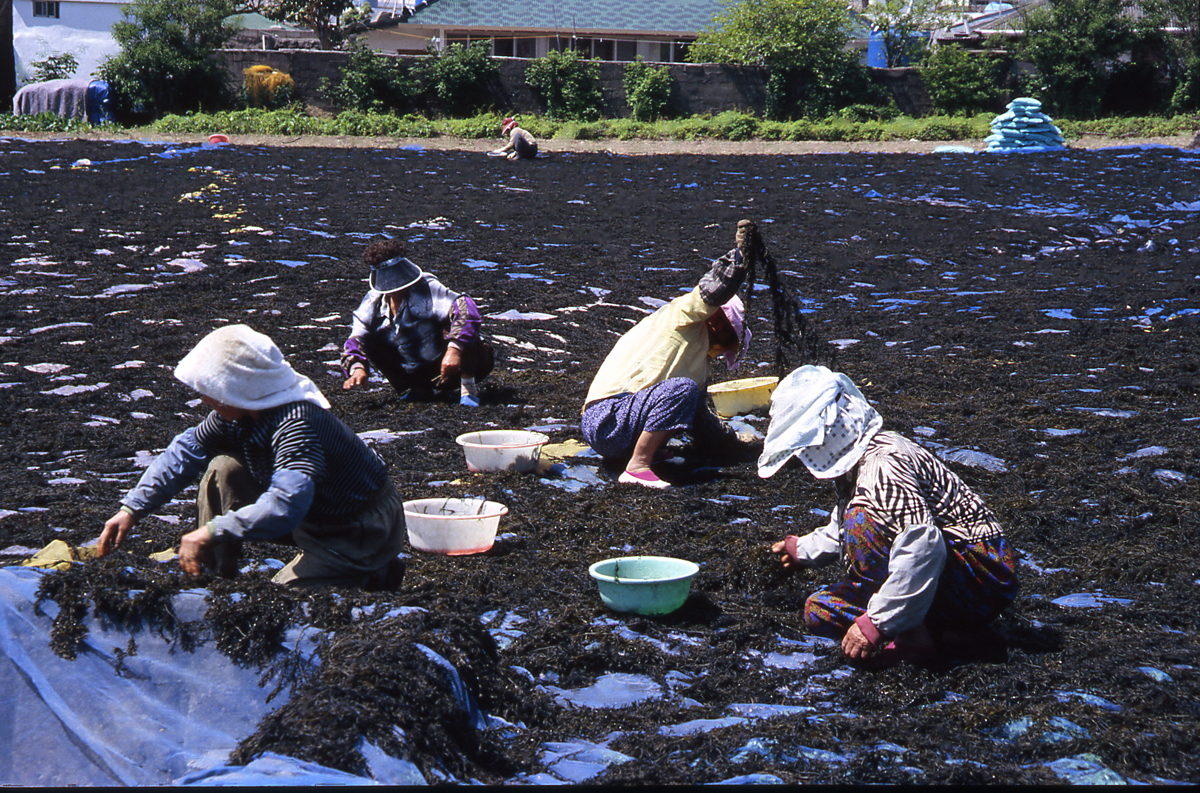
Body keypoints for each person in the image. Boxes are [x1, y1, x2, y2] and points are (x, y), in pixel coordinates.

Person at [95, 324, 407, 591]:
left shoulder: (298, 425)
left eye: (209, 391)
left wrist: (211, 531)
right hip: (312, 513)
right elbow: (186, 450)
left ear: (236, 389)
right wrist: (132, 509)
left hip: (355, 529)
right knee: (224, 469)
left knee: (285, 604)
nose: (203, 398)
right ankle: (214, 580)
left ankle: (372, 569)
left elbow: (285, 505)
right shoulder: (241, 413)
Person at [760, 365, 1018, 668]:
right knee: (819, 609)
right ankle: (951, 635)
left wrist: (875, 625)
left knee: (860, 518)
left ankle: (913, 639)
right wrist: (800, 550)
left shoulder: (883, 463)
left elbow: (922, 546)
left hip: (978, 573)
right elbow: (840, 530)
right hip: (941, 578)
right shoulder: (859, 468)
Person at [580, 219, 764, 489]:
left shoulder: (701, 365)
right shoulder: (683, 315)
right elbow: (713, 290)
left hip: (623, 426)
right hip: (607, 420)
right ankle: (638, 466)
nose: (724, 346)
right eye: (728, 338)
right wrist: (740, 258)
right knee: (681, 390)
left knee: (685, 396)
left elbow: (701, 422)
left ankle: (648, 454)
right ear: (718, 321)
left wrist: (735, 443)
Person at [342, 238, 493, 407]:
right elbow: (356, 339)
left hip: (456, 364)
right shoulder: (373, 302)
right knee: (371, 339)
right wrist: (357, 367)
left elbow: (466, 308)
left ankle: (468, 388)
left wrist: (454, 350)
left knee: (460, 321)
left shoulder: (427, 288)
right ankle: (419, 389)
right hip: (418, 368)